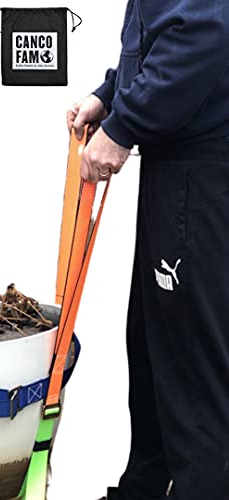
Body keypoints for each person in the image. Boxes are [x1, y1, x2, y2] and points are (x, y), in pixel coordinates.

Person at [67, 1, 229, 499]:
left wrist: (125, 124)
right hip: (177, 164)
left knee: (191, 361)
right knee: (154, 342)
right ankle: (145, 487)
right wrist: (110, 96)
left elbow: (204, 34)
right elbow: (160, 35)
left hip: (202, 170)